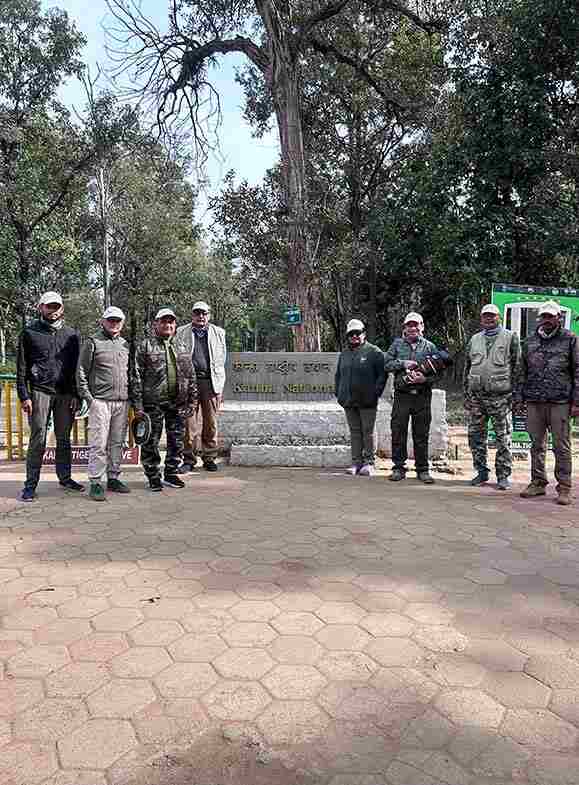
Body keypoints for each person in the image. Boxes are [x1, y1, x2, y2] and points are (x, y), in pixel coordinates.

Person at [16, 291, 84, 501]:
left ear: (62, 308)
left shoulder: (72, 335)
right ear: (41, 307)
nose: (53, 310)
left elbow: (76, 367)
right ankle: (30, 485)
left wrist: (76, 394)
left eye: (56, 306)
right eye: (49, 306)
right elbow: (22, 368)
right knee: (38, 438)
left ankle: (65, 478)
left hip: (65, 394)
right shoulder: (29, 333)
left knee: (64, 439)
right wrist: (24, 396)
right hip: (39, 392)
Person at [515, 300, 579, 506]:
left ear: (558, 317)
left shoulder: (570, 339)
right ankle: (538, 482)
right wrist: (519, 398)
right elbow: (521, 371)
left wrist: (576, 402)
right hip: (534, 400)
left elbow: (578, 370)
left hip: (560, 401)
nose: (547, 320)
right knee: (536, 445)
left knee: (561, 445)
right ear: (539, 318)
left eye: (551, 316)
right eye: (544, 316)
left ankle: (565, 487)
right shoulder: (530, 341)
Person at [132, 308, 197, 492]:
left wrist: (192, 401)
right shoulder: (145, 346)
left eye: (171, 322)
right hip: (153, 403)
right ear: (156, 324)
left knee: (176, 441)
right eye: (163, 322)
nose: (167, 325)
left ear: (175, 325)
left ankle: (170, 473)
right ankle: (153, 476)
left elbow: (190, 375)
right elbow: (136, 376)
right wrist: (138, 405)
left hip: (177, 403)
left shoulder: (182, 346)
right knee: (151, 442)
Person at [76, 306, 132, 501]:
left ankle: (114, 477)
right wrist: (89, 398)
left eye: (117, 320)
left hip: (122, 402)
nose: (114, 323)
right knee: (98, 443)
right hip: (99, 401)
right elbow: (81, 371)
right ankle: (96, 482)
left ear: (122, 323)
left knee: (117, 442)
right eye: (110, 320)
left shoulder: (125, 344)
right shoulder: (93, 342)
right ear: (103, 321)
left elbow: (130, 372)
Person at [464, 304, 520, 490]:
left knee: (503, 438)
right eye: (485, 316)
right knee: (475, 436)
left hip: (501, 397)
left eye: (492, 316)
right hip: (476, 397)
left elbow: (517, 367)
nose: (489, 319)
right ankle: (481, 472)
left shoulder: (510, 337)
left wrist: (515, 394)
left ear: (499, 318)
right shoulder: (474, 339)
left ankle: (503, 475)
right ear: (481, 319)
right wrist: (467, 395)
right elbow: (467, 367)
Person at [384, 312, 440, 484]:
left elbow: (439, 372)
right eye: (409, 325)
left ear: (422, 327)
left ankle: (422, 469)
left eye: (416, 325)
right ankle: (399, 468)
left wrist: (425, 379)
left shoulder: (430, 347)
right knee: (398, 432)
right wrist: (402, 363)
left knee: (421, 434)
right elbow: (385, 364)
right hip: (402, 396)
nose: (413, 328)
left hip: (422, 397)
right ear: (404, 328)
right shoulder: (397, 345)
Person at [176, 301, 226, 473]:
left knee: (210, 423)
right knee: (188, 423)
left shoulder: (219, 333)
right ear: (192, 315)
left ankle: (209, 457)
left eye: (204, 313)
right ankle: (188, 459)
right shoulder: (181, 332)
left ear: (209, 315)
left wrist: (220, 386)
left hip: (210, 383)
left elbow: (222, 359)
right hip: (189, 383)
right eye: (197, 313)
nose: (201, 316)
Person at [334, 319, 386, 476]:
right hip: (348, 401)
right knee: (355, 431)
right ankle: (356, 462)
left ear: (364, 333)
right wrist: (339, 392)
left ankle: (369, 462)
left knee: (368, 431)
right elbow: (338, 375)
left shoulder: (374, 352)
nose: (355, 336)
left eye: (358, 333)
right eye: (351, 334)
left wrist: (375, 393)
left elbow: (382, 375)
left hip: (367, 401)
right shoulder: (344, 354)